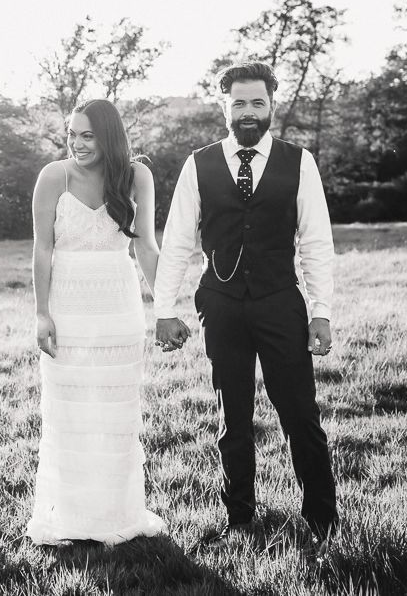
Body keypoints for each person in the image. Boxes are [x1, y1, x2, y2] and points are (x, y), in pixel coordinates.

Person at [154, 62, 338, 553]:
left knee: (300, 412)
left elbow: (317, 242)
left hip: (281, 302)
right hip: (222, 304)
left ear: (272, 105)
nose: (249, 112)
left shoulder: (299, 162)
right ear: (224, 106)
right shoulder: (200, 164)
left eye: (258, 103)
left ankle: (321, 519)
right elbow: (176, 242)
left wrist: (321, 311)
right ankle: (240, 518)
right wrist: (164, 308)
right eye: (239, 103)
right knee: (232, 416)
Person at [26, 99, 166, 546]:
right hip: (67, 308)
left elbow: (146, 248)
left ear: (108, 137)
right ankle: (71, 517)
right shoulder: (54, 176)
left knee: (115, 418)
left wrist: (167, 305)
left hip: (119, 308)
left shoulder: (137, 176)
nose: (78, 143)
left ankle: (115, 517)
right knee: (69, 416)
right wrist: (42, 312)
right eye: (72, 134)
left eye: (88, 135)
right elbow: (42, 248)